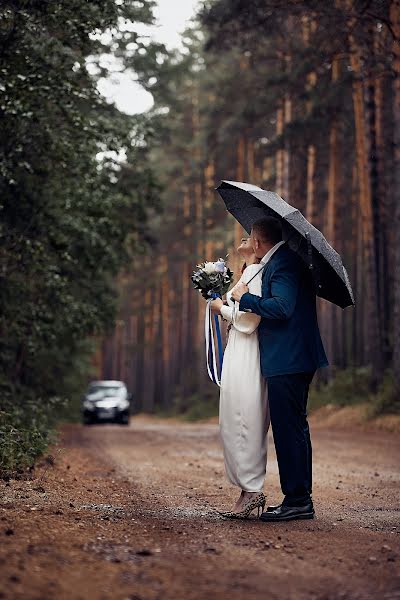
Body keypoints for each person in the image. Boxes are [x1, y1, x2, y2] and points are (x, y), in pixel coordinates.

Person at [231, 217, 328, 522]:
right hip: (292, 357)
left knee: (289, 430)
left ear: (258, 243)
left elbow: (282, 307)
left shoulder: (284, 263)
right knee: (293, 428)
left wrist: (244, 298)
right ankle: (299, 498)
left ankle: (298, 500)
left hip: (289, 358)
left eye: (251, 239)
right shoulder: (285, 260)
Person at [210, 237, 272, 519]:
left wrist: (220, 309)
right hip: (238, 348)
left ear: (257, 243)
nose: (243, 239)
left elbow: (249, 319)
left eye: (249, 236)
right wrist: (224, 307)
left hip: (248, 350)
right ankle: (246, 491)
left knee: (245, 416)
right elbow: (240, 313)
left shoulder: (255, 273)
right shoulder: (248, 272)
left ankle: (253, 490)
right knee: (233, 417)